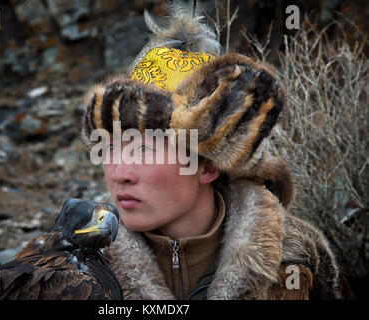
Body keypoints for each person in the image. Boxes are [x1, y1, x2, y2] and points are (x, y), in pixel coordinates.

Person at [80, 3, 348, 300]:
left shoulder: (295, 270)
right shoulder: (71, 269)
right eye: (112, 147)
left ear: (208, 166)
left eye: (144, 149)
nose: (119, 174)